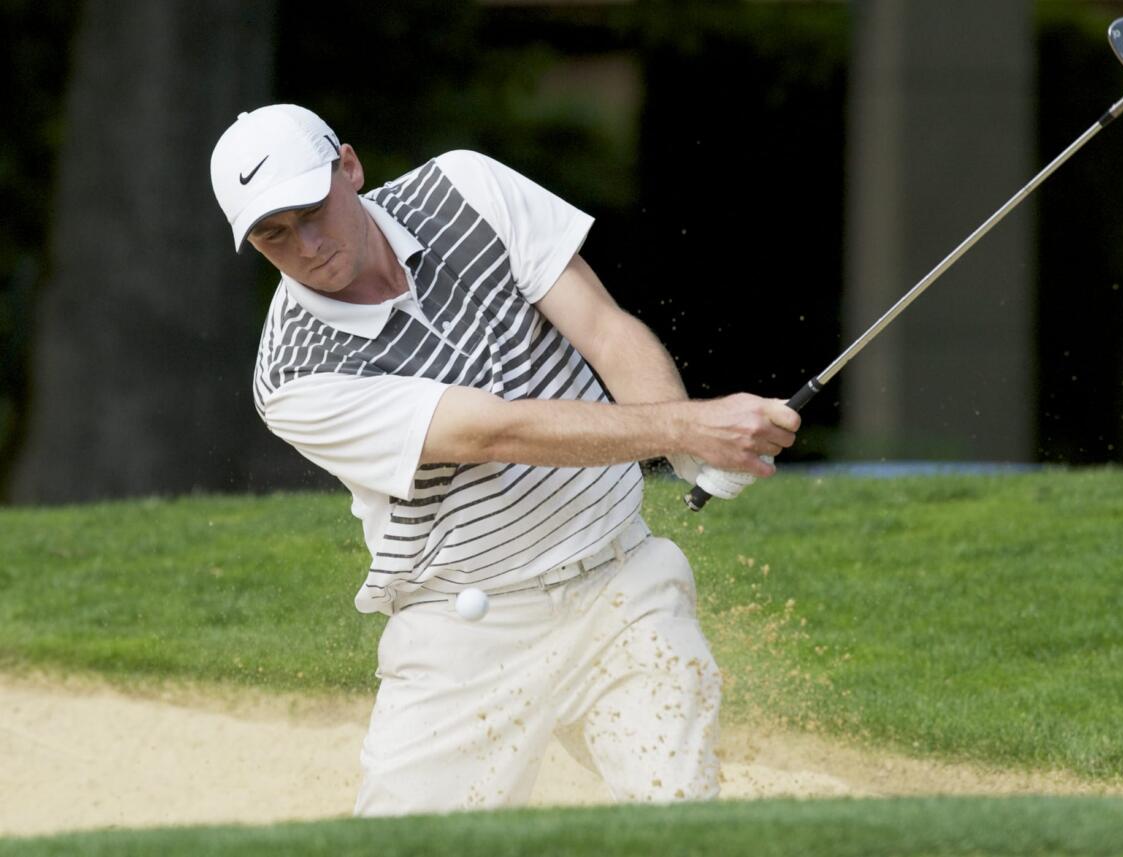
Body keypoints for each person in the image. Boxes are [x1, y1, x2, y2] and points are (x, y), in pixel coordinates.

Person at [209, 104, 799, 815]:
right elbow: (494, 432)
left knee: (679, 820)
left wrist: (686, 450)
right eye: (273, 234)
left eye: (310, 209)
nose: (305, 244)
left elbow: (606, 333)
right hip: (465, 634)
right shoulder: (294, 376)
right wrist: (690, 425)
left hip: (622, 585)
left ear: (349, 168)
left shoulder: (465, 190)